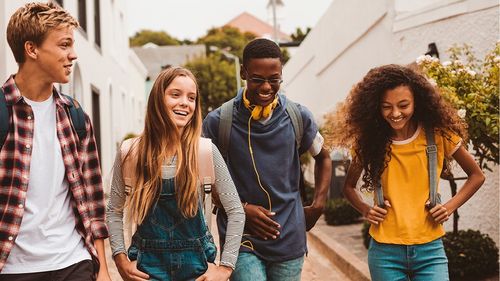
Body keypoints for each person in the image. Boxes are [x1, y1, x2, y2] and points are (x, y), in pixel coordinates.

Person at [334, 64, 485, 281]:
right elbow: (348, 187)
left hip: (430, 250)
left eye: (403, 105)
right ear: (375, 106)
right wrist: (366, 210)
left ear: (417, 102)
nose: (395, 113)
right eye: (386, 106)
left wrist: (449, 207)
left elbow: (477, 175)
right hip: (385, 253)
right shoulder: (368, 142)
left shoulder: (438, 135)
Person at [203, 38, 332, 281]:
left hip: (289, 239)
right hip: (241, 239)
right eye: (257, 79)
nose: (266, 87)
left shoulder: (297, 116)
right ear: (243, 72)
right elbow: (204, 180)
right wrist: (241, 209)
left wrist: (318, 205)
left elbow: (324, 158)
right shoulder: (219, 121)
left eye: (274, 80)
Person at [0, 2, 111, 281]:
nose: (73, 55)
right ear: (32, 49)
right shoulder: (2, 112)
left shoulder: (75, 116)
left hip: (73, 263)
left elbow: (94, 200)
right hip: (13, 269)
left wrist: (104, 271)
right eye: (64, 45)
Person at [107, 66, 245, 281]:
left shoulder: (205, 151)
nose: (185, 103)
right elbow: (114, 211)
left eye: (192, 98)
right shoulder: (130, 152)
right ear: (157, 100)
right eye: (175, 94)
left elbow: (236, 211)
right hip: (147, 269)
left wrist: (225, 268)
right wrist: (120, 259)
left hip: (197, 269)